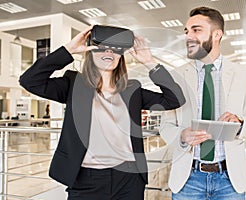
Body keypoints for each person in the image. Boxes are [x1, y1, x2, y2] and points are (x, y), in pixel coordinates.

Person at [19, 25, 185, 200]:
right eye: (102, 48)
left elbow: (175, 99)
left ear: (121, 57)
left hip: (128, 179)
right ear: (90, 53)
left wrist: (149, 61)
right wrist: (69, 50)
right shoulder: (74, 85)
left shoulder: (132, 89)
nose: (109, 53)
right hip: (86, 180)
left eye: (115, 50)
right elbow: (30, 81)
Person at [159, 6, 246, 200]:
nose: (188, 36)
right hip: (188, 179)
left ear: (217, 34)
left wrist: (240, 124)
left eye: (196, 30)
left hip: (229, 180)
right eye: (186, 31)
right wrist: (181, 136)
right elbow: (165, 125)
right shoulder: (176, 76)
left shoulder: (241, 75)